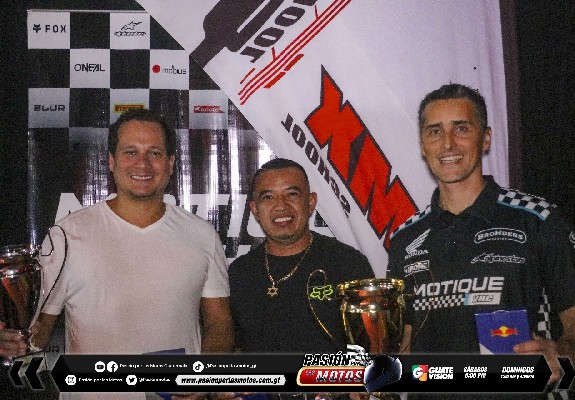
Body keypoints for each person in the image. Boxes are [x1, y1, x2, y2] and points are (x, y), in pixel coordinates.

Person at [0, 108, 234, 399]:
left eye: (154, 153)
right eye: (130, 152)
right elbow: (39, 328)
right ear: (111, 161)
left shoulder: (202, 235)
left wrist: (203, 375)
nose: (142, 163)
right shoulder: (67, 235)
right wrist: (15, 341)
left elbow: (219, 323)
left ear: (171, 163)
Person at [387, 83, 575, 398]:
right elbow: (407, 338)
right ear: (422, 145)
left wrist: (563, 352)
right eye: (435, 131)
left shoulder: (537, 218)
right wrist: (378, 375)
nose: (448, 143)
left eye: (461, 128)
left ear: (485, 138)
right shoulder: (405, 237)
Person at [228, 158, 375, 353]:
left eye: (292, 194)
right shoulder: (239, 273)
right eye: (268, 197)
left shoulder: (348, 264)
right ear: (255, 210)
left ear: (310, 203)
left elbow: (373, 346)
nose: (281, 206)